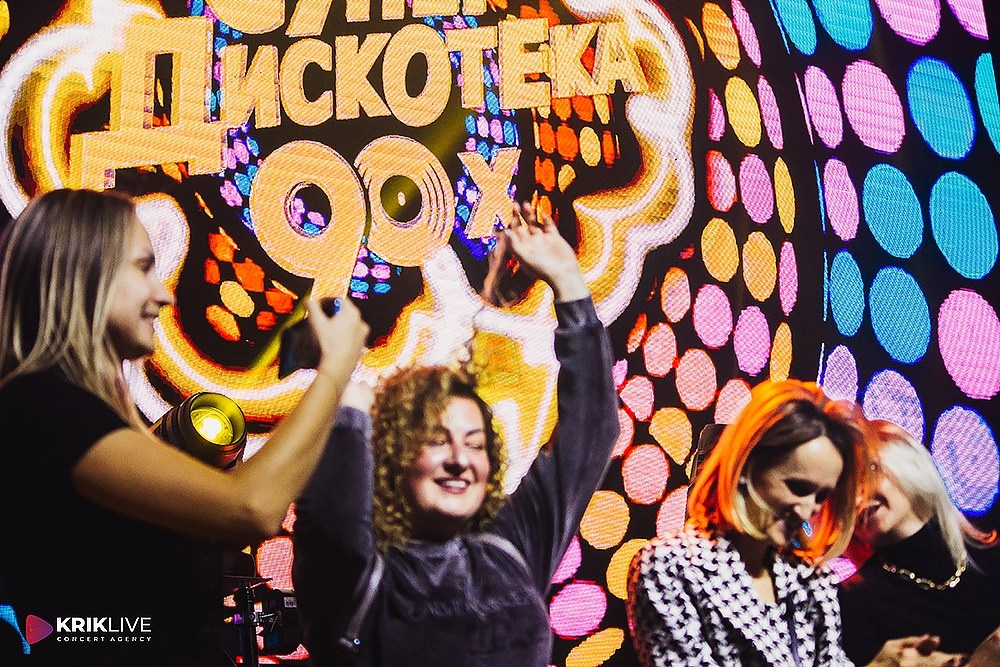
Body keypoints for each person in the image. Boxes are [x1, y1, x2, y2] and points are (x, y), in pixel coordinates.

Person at [0, 188, 368, 665]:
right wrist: (334, 373)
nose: (164, 294)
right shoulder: (44, 408)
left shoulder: (81, 412)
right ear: (83, 274)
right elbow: (252, 506)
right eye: (143, 267)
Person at [291, 203, 619, 666]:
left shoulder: (510, 547)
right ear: (391, 455)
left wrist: (568, 281)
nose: (460, 459)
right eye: (437, 440)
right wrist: (345, 403)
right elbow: (334, 520)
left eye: (475, 444)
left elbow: (591, 431)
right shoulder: (358, 575)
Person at [628, 380, 869, 666]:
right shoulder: (670, 566)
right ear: (746, 465)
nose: (807, 511)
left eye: (821, 496)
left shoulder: (812, 578)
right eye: (797, 487)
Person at [839, 420, 1000, 666]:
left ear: (907, 464)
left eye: (866, 477)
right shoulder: (855, 600)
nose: (858, 498)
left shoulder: (990, 555)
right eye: (843, 493)